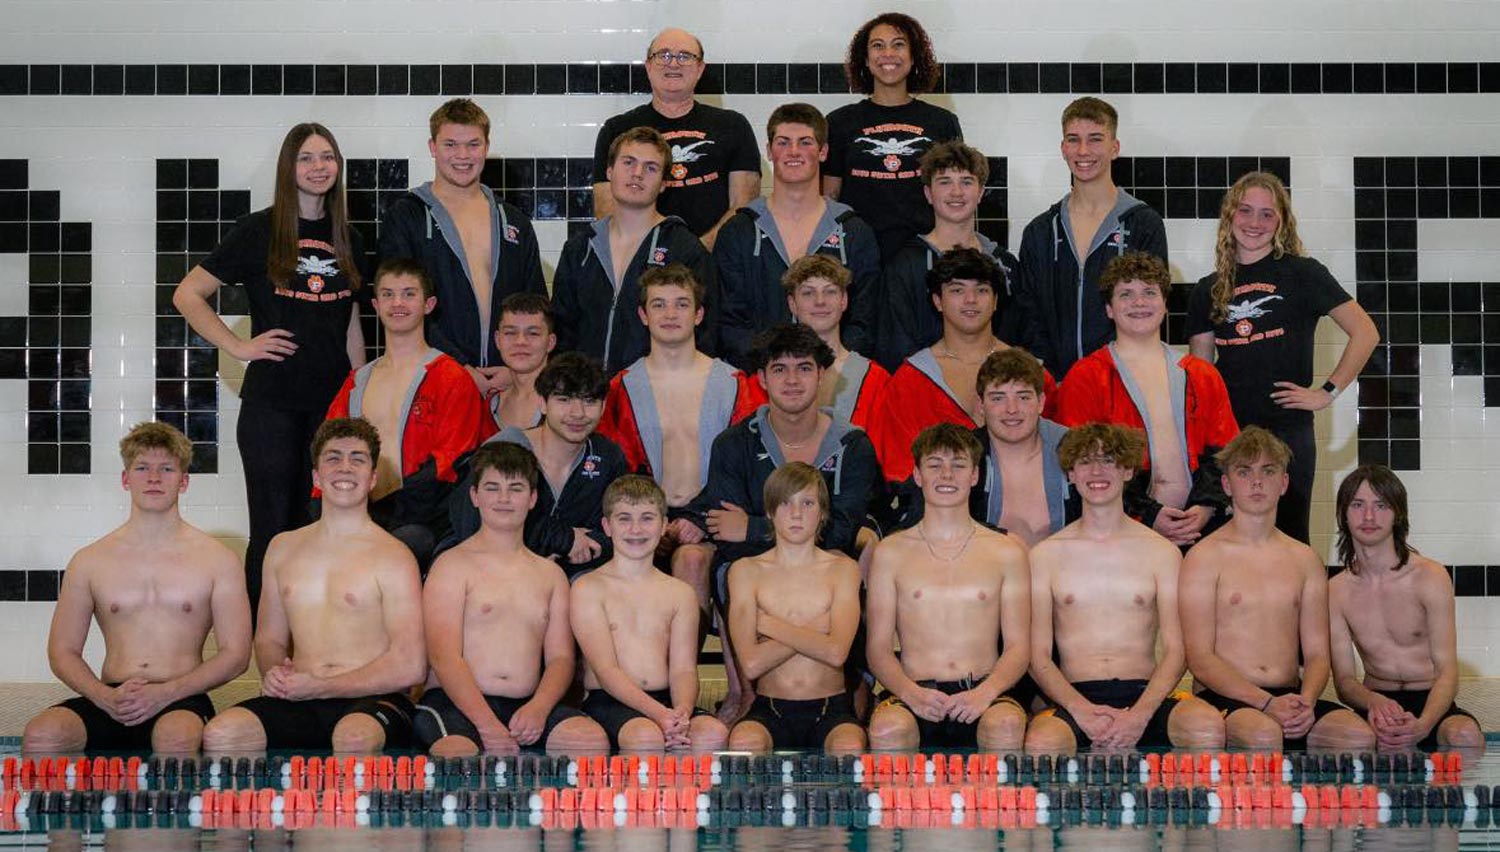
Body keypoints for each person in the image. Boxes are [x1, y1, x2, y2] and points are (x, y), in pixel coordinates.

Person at [173, 122, 367, 621]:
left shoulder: (349, 236)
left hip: (330, 405)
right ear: (289, 168)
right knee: (273, 529)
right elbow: (187, 294)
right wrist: (238, 345)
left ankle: (315, 637)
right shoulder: (260, 229)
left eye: (328, 157)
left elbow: (349, 323)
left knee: (320, 525)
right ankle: (267, 648)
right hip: (272, 405)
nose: (319, 166)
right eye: (306, 158)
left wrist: (360, 390)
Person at [687, 324, 882, 722]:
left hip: (827, 569)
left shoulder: (853, 444)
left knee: (866, 548)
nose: (792, 380)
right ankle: (743, 689)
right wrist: (757, 538)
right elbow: (727, 537)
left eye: (804, 368)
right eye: (779, 369)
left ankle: (854, 682)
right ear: (761, 378)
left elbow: (843, 532)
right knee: (730, 569)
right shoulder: (733, 443)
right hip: (759, 572)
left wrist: (755, 528)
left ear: (822, 375)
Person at [23, 423, 251, 754]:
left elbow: (236, 655)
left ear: (184, 481)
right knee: (43, 735)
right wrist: (104, 697)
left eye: (167, 469)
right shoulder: (90, 560)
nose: (154, 478)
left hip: (181, 699)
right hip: (112, 698)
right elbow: (62, 651)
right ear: (125, 479)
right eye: (142, 467)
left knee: (175, 737)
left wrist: (167, 693)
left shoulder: (218, 560)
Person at [201, 418, 425, 753]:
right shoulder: (282, 548)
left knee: (353, 738)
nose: (345, 467)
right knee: (222, 735)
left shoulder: (394, 556)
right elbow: (269, 639)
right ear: (316, 476)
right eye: (333, 458)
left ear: (373, 478)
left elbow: (410, 665)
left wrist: (322, 687)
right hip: (302, 697)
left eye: (358, 459)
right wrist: (274, 672)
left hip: (373, 699)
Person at [1187, 171, 1379, 544]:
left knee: (1290, 541)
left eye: (1266, 214)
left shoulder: (1303, 274)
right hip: (1229, 436)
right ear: (1230, 217)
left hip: (1288, 432)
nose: (1254, 223)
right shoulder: (1206, 290)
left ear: (1281, 222)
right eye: (1245, 211)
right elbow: (1200, 376)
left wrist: (1325, 392)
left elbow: (1366, 332)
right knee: (1227, 543)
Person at [1024, 423, 1225, 753]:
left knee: (1206, 728)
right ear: (1071, 474)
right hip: (1076, 694)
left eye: (1108, 460)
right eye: (1085, 462)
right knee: (1043, 744)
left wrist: (1141, 716)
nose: (1097, 471)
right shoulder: (1045, 555)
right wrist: (1081, 710)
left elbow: (1177, 651)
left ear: (1128, 469)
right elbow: (1038, 656)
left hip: (1144, 693)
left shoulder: (1162, 552)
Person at [1179, 427, 1376, 751]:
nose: (1257, 482)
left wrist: (1307, 701)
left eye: (1268, 471)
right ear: (1227, 484)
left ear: (1283, 483)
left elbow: (1316, 654)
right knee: (1263, 735)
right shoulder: (1204, 556)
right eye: (1245, 471)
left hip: (1290, 695)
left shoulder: (1304, 559)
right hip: (1226, 696)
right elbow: (1199, 658)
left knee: (1358, 738)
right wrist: (1265, 703)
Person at [416, 442, 609, 755]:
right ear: (475, 496)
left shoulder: (550, 574)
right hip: (455, 705)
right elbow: (444, 657)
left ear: (532, 499)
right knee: (459, 756)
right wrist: (487, 726)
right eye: (493, 488)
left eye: (515, 488)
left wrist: (540, 708)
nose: (504, 499)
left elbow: (561, 658)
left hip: (526, 703)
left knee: (588, 741)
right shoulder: (451, 566)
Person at [596, 265, 762, 604]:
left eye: (682, 304)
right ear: (643, 314)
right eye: (659, 304)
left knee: (691, 559)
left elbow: (746, 465)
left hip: (713, 521)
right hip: (640, 523)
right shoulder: (621, 387)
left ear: (699, 314)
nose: (670, 314)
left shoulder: (734, 384)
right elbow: (614, 468)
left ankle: (685, 659)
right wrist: (650, 519)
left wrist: (701, 518)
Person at [1055, 252, 1238, 548]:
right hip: (1121, 531)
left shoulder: (1201, 374)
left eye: (1149, 292)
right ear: (1109, 309)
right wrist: (1148, 514)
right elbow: (1079, 463)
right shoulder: (1087, 376)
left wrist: (1206, 507)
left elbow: (1226, 452)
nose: (1139, 303)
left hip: (1201, 529)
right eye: (1126, 294)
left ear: (1165, 304)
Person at [865, 424, 1031, 750]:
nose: (946, 475)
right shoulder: (890, 552)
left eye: (958, 465)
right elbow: (878, 649)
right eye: (934, 465)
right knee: (887, 729)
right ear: (917, 474)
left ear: (974, 475)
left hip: (984, 692)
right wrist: (911, 693)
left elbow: (1018, 647)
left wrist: (985, 693)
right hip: (914, 691)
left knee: (1006, 725)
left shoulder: (1007, 550)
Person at [324, 258, 493, 570]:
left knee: (395, 552)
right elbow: (329, 449)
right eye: (388, 294)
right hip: (362, 515)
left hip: (427, 521)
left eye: (408, 294)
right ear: (375, 305)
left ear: (428, 304)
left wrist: (388, 512)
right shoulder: (358, 381)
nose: (397, 303)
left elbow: (453, 460)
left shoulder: (450, 377)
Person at [379, 98, 546, 394]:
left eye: (473, 144)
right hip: (433, 378)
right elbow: (400, 306)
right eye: (450, 145)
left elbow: (535, 306)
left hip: (506, 384)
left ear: (486, 146)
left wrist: (517, 367)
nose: (463, 155)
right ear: (432, 147)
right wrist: (455, 366)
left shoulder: (515, 222)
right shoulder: (406, 216)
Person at [1328, 465, 1484, 751]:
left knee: (1465, 737)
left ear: (1398, 513)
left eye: (1381, 505)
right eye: (1358, 505)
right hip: (1376, 700)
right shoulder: (1337, 590)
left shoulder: (1430, 576)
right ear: (1343, 514)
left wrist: (1423, 725)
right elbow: (1345, 681)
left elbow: (1448, 672)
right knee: (1343, 738)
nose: (1369, 516)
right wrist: (1374, 701)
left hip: (1431, 700)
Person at [714, 103, 880, 369]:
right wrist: (779, 370)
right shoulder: (738, 232)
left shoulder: (854, 232)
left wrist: (824, 369)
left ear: (823, 151)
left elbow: (865, 322)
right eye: (783, 142)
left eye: (805, 142)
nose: (793, 152)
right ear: (769, 151)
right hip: (759, 383)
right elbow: (729, 324)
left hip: (836, 381)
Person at [869, 247, 1055, 483]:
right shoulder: (910, 381)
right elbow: (899, 471)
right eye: (957, 290)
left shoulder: (1033, 374)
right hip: (937, 511)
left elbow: (1058, 454)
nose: (971, 300)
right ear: (938, 300)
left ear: (996, 301)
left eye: (982, 289)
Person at [571, 476, 729, 751]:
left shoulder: (680, 593)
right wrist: (659, 715)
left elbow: (683, 669)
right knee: (645, 737)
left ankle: (686, 795)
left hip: (667, 700)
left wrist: (681, 711)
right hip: (610, 701)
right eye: (624, 519)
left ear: (664, 524)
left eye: (647, 518)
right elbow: (606, 671)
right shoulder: (589, 588)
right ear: (607, 526)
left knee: (713, 734)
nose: (636, 529)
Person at [1015, 97, 1168, 378]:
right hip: (1057, 388)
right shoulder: (1041, 231)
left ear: (1115, 147)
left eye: (1095, 139)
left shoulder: (1144, 223)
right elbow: (1029, 316)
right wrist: (1049, 379)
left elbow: (1149, 311)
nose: (1083, 150)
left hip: (1124, 384)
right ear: (1063, 148)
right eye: (1073, 140)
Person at [725, 463, 865, 753]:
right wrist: (818, 628)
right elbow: (751, 664)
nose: (797, 513)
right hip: (769, 708)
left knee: (849, 747)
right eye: (785, 503)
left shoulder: (843, 569)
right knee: (744, 743)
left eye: (808, 503)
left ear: (823, 512)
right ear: (770, 511)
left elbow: (836, 652)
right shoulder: (746, 571)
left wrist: (769, 625)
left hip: (832, 709)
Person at [556, 126, 718, 374]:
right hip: (586, 400)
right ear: (609, 171)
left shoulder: (684, 249)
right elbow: (561, 331)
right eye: (629, 162)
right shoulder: (580, 248)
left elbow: (704, 337)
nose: (638, 173)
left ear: (664, 183)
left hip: (656, 399)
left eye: (651, 168)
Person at [450, 353, 627, 575]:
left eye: (589, 401)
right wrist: (564, 538)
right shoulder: (505, 448)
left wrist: (582, 546)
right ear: (542, 403)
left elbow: (621, 527)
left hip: (573, 575)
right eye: (564, 400)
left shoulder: (608, 456)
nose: (577, 413)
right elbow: (473, 526)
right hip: (490, 571)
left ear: (603, 408)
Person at [591, 28, 761, 247]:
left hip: (715, 267)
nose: (673, 64)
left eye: (685, 56)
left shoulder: (733, 126)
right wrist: (652, 258)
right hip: (640, 269)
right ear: (648, 66)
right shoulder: (617, 129)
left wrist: (697, 254)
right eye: (663, 55)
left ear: (700, 68)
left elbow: (744, 205)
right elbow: (606, 212)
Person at [895, 348, 1071, 548]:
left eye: (1023, 397)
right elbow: (909, 526)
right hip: (978, 574)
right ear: (980, 405)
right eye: (998, 398)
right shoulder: (958, 456)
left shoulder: (1076, 450)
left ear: (1041, 402)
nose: (1011, 409)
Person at [824, 12, 963, 259]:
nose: (888, 54)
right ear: (865, 59)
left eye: (898, 45)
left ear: (913, 57)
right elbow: (829, 196)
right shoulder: (839, 122)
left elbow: (956, 195)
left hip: (923, 253)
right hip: (856, 253)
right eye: (878, 46)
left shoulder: (942, 122)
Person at [878, 141, 1021, 369]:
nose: (956, 192)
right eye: (945, 182)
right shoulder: (904, 266)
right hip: (928, 393)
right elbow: (895, 348)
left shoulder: (1006, 264)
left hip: (995, 393)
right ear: (928, 193)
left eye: (966, 182)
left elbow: (1017, 338)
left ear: (981, 192)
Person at [782, 255, 889, 431]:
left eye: (830, 291)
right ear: (792, 303)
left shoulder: (876, 380)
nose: (820, 301)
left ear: (844, 300)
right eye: (808, 293)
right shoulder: (771, 378)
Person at [490, 292, 556, 431]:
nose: (520, 342)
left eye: (533, 333)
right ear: (497, 340)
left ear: (550, 342)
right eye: (510, 333)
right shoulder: (488, 406)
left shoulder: (571, 404)